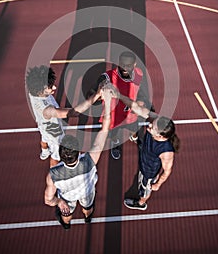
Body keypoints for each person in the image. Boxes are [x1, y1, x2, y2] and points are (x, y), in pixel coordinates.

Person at [44, 87, 112, 230]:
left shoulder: (53, 175)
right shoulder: (89, 160)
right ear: (78, 151)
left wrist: (59, 202)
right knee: (88, 206)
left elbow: (48, 200)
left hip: (68, 198)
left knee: (66, 210)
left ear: (61, 155)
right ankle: (87, 217)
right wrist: (108, 102)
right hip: (87, 192)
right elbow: (105, 129)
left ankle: (66, 223)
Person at [109, 85, 180, 210]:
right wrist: (118, 95)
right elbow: (136, 107)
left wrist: (158, 184)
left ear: (161, 136)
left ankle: (141, 203)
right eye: (152, 123)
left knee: (144, 188)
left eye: (152, 128)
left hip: (149, 171)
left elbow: (167, 171)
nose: (149, 126)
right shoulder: (156, 120)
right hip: (145, 156)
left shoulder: (167, 152)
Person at [26, 65, 101, 167]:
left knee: (44, 137)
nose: (54, 87)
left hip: (43, 126)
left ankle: (44, 152)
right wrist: (96, 96)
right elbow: (73, 113)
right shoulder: (47, 110)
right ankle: (53, 174)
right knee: (56, 155)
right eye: (50, 87)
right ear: (40, 90)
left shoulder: (33, 91)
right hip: (54, 134)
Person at [89, 51, 152, 160]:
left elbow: (139, 89)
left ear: (134, 65)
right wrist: (99, 95)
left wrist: (141, 100)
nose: (124, 68)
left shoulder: (138, 73)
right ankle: (115, 143)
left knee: (134, 128)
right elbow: (91, 93)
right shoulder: (107, 78)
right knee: (113, 134)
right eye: (122, 64)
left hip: (130, 113)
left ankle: (134, 137)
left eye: (128, 65)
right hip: (114, 116)